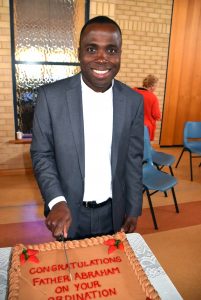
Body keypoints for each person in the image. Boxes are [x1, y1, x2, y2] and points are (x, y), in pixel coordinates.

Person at [30, 16, 144, 241]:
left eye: (111, 50)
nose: (102, 59)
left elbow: (133, 157)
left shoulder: (133, 101)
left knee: (110, 272)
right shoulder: (50, 97)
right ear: (79, 52)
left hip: (115, 212)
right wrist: (56, 201)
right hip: (68, 212)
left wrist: (133, 207)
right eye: (92, 49)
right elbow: (42, 155)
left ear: (120, 53)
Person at [133, 75, 161, 141]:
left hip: (132, 125)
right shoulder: (152, 97)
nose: (155, 88)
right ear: (151, 87)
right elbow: (157, 115)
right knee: (144, 148)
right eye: (156, 86)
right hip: (145, 128)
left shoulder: (133, 91)